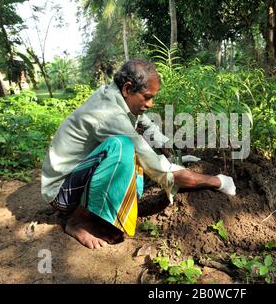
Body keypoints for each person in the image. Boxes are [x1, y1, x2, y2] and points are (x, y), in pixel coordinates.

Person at [41, 59, 236, 249]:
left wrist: (167, 148)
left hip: (76, 178)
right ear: (127, 89)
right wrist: (217, 181)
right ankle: (79, 221)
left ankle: (99, 213)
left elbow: (144, 122)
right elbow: (160, 170)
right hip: (62, 193)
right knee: (123, 147)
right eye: (147, 96)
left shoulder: (114, 95)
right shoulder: (109, 116)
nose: (150, 104)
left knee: (130, 151)